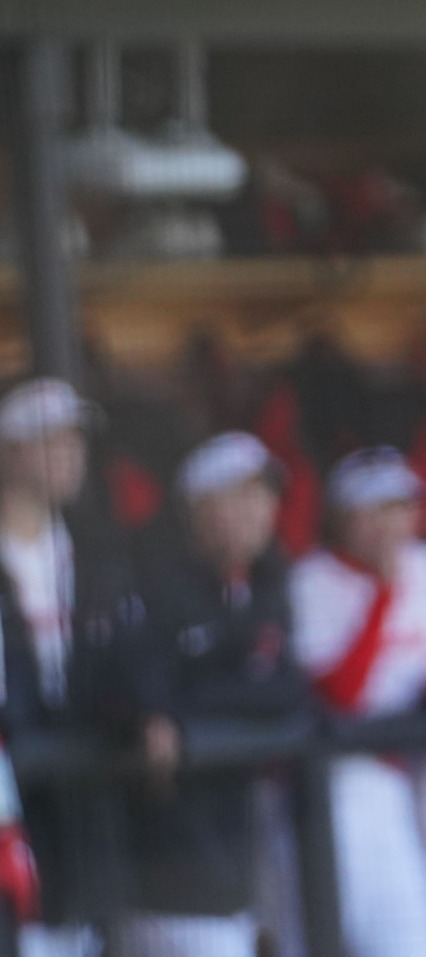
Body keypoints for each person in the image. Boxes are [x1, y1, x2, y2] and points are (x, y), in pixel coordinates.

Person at [123, 432, 313, 957]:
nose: (260, 511)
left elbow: (287, 691)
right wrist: (181, 713)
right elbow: (139, 691)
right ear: (199, 508)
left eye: (265, 495)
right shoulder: (151, 580)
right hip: (169, 865)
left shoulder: (270, 579)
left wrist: (195, 704)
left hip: (247, 850)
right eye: (241, 496)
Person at [289, 448, 426, 957]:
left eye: (401, 507)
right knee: (334, 937)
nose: (391, 523)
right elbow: (343, 695)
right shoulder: (312, 579)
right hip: (337, 786)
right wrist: (384, 594)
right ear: (344, 518)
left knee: (416, 942)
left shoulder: (425, 566)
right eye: (375, 510)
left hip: (403, 780)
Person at [0, 378, 148, 957]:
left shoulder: (94, 553)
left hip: (83, 815)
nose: (69, 454)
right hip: (16, 803)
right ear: (8, 451)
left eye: (75, 441)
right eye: (50, 440)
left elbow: (130, 664)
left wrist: (145, 713)